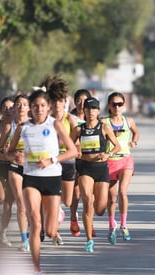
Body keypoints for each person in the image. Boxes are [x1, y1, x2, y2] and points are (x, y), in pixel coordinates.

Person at [6, 88, 78, 274]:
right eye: (35, 106)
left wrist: (51, 160)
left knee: (51, 230)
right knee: (35, 223)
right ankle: (35, 267)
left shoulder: (55, 125)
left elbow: (73, 151)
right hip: (31, 179)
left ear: (49, 108)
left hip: (53, 178)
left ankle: (56, 221)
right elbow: (8, 152)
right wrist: (16, 156)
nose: (39, 109)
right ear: (30, 108)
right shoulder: (23, 127)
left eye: (43, 106)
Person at [71, 97, 121, 252]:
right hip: (85, 168)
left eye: (94, 109)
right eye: (88, 109)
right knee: (86, 199)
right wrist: (76, 151)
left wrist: (108, 154)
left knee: (99, 209)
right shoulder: (79, 130)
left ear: (98, 111)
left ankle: (99, 217)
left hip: (101, 169)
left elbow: (117, 146)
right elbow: (69, 147)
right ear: (83, 111)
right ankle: (89, 240)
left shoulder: (104, 127)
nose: (90, 112)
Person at [44, 75, 78, 246]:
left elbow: (77, 140)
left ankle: (60, 212)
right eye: (55, 101)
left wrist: (77, 148)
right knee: (53, 198)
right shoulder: (45, 118)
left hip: (68, 163)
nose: (58, 104)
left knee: (68, 201)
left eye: (61, 101)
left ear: (65, 102)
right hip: (51, 164)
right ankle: (54, 230)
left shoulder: (69, 119)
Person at [103, 92, 140, 244]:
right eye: (113, 104)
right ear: (109, 106)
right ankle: (112, 226)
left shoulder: (128, 120)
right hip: (109, 162)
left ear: (124, 106)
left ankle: (124, 225)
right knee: (111, 199)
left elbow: (136, 132)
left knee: (122, 191)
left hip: (125, 160)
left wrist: (134, 141)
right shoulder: (103, 122)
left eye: (119, 104)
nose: (117, 107)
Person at [0, 94, 30, 251]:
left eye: (24, 104)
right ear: (15, 108)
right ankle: (24, 240)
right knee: (21, 204)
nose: (21, 107)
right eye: (19, 104)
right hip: (15, 168)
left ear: (29, 107)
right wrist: (8, 154)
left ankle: (34, 232)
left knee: (27, 205)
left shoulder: (34, 125)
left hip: (32, 169)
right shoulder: (10, 127)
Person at [69, 89, 92, 237]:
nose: (81, 103)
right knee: (76, 193)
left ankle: (90, 223)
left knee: (89, 194)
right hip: (74, 159)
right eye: (78, 100)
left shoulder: (94, 119)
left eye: (84, 100)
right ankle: (73, 219)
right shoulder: (70, 118)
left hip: (91, 160)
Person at [0, 97, 15, 246]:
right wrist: (1, 147)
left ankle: (3, 233)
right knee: (0, 198)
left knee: (8, 202)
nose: (8, 110)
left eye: (11, 108)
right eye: (5, 107)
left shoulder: (18, 126)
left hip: (12, 167)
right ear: (1, 109)